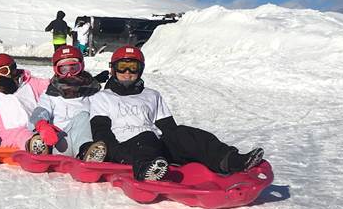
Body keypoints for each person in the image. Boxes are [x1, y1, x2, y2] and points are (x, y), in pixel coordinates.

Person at [88, 45, 265, 181]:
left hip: (155, 146)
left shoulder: (152, 95)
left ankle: (233, 160)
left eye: (132, 67)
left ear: (140, 69)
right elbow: (101, 132)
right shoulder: (102, 98)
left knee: (186, 133)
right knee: (146, 137)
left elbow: (169, 128)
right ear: (113, 69)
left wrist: (185, 145)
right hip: (127, 149)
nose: (127, 73)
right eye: (122, 67)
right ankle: (146, 170)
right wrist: (117, 155)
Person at [25, 46, 103, 160]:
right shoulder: (51, 94)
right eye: (63, 70)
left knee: (83, 117)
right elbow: (41, 111)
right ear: (56, 70)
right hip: (58, 142)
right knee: (40, 130)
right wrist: (42, 125)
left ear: (82, 67)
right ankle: (40, 146)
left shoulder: (92, 92)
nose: (69, 74)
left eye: (73, 68)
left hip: (82, 140)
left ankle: (86, 152)